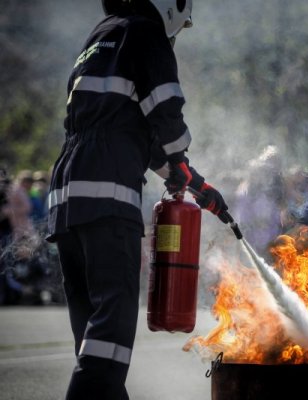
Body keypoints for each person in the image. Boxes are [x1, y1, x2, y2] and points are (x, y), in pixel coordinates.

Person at [46, 1, 229, 398]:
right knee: (113, 324)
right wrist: (180, 156)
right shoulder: (147, 33)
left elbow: (135, 132)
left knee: (92, 329)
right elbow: (165, 108)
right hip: (107, 194)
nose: (175, 37)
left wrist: (195, 183)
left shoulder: (100, 36)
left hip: (66, 197)